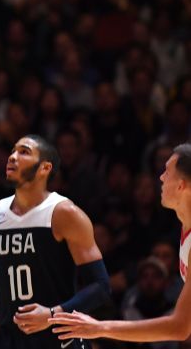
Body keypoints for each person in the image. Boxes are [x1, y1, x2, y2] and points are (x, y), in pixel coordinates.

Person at [0, 135, 110, 349]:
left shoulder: (64, 213)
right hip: (10, 340)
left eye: (24, 152)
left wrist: (52, 314)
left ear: (45, 168)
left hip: (57, 337)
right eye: (12, 151)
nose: (12, 157)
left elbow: (100, 286)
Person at [50, 142, 191, 343]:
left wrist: (99, 327)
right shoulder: (186, 227)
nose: (160, 177)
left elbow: (179, 327)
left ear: (181, 185)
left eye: (167, 172)